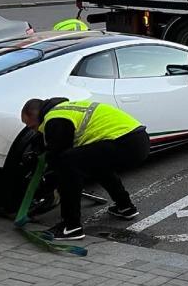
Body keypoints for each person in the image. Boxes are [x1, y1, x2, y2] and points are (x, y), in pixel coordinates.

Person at [20, 97, 149, 240]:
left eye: (31, 126)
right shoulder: (65, 109)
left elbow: (59, 156)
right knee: (98, 166)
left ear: (35, 115)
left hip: (123, 142)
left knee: (67, 164)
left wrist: (46, 184)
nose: (34, 130)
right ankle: (125, 207)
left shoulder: (55, 118)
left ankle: (71, 227)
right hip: (138, 140)